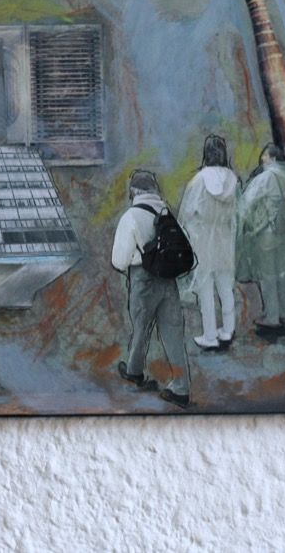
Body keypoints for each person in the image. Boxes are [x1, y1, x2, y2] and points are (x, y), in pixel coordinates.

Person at [110, 169, 191, 408]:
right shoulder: (165, 211)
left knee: (141, 328)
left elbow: (119, 261)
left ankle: (134, 371)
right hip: (168, 280)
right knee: (173, 334)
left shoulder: (131, 216)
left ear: (134, 191)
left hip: (143, 279)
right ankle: (181, 388)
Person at [237, 143, 285, 335]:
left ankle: (272, 316)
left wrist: (246, 223)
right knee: (283, 273)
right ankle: (284, 314)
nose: (262, 158)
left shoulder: (267, 176)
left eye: (265, 155)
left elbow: (247, 202)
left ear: (272, 158)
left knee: (268, 274)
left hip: (268, 232)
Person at [177, 134, 241, 350]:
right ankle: (228, 330)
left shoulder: (199, 180)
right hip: (225, 235)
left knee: (205, 286)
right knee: (225, 284)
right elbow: (237, 210)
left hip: (202, 237)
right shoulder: (232, 179)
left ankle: (210, 335)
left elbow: (187, 211)